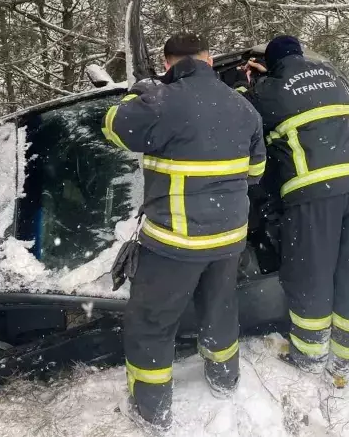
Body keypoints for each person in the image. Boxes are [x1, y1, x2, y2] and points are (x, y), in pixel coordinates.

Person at [101, 33, 266, 430]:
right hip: (228, 239)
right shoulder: (243, 107)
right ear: (208, 60)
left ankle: (152, 410)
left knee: (152, 323)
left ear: (167, 62)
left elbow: (112, 127)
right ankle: (224, 379)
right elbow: (256, 174)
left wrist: (137, 92)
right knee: (220, 308)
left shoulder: (162, 101)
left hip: (175, 241)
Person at [238, 35, 349, 385]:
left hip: (314, 189)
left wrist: (247, 83)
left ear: (269, 62)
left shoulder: (270, 89)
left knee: (310, 273)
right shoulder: (331, 78)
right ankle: (345, 358)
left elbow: (243, 115)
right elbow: (303, 94)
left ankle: (310, 354)